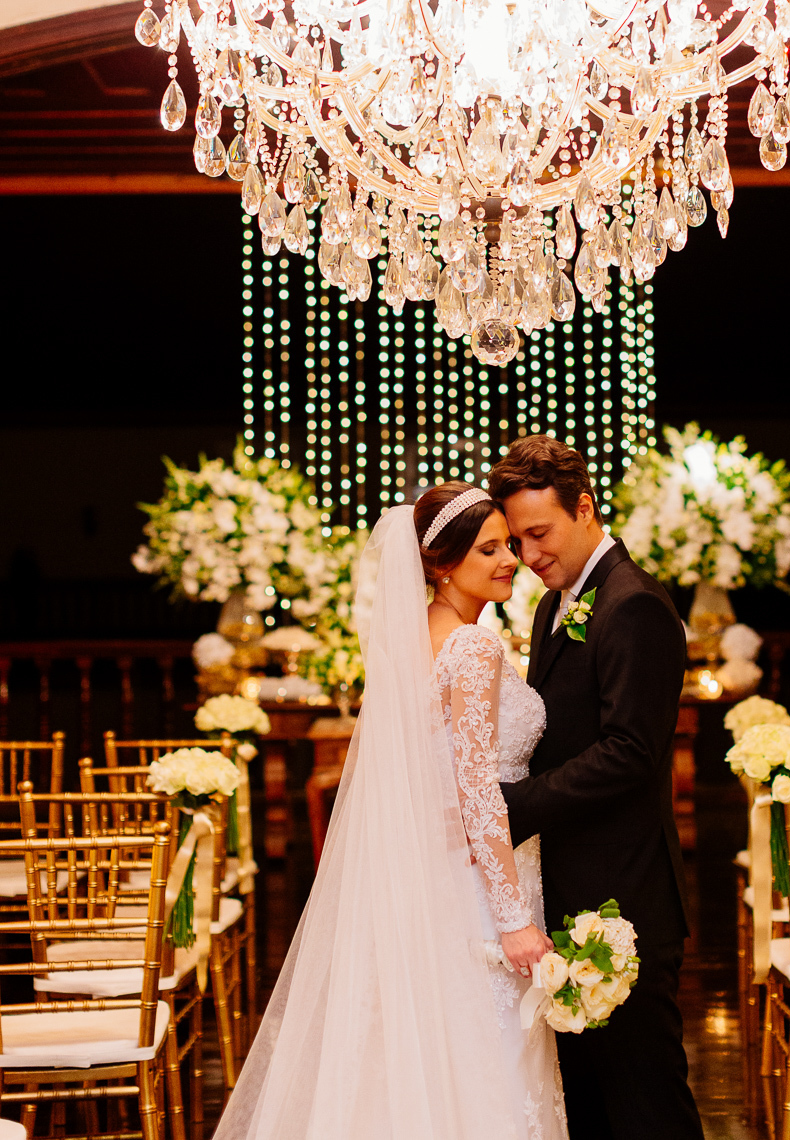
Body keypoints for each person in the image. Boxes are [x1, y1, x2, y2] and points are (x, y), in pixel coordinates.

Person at [213, 486, 566, 1140]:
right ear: (441, 565)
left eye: (508, 545)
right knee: (485, 1062)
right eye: (488, 550)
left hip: (430, 878)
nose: (509, 561)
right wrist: (514, 920)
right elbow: (476, 789)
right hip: (479, 888)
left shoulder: (413, 639)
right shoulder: (473, 647)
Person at [489, 436, 704, 1140]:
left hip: (625, 895)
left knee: (646, 1103)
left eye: (539, 533)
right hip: (570, 888)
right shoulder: (557, 604)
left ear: (584, 508)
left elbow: (630, 752)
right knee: (590, 1105)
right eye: (516, 539)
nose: (528, 554)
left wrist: (513, 807)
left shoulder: (633, 604)